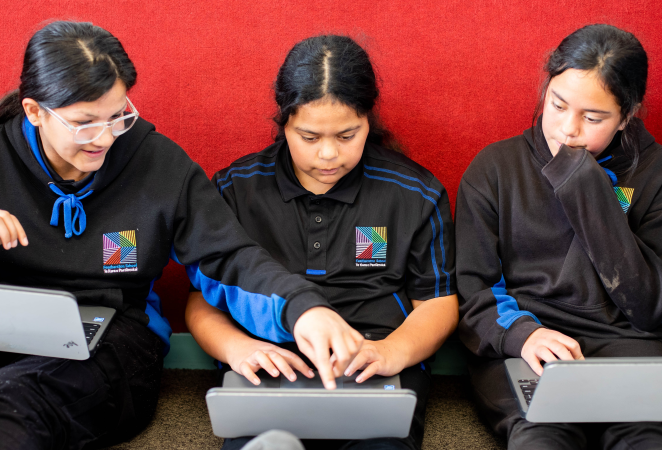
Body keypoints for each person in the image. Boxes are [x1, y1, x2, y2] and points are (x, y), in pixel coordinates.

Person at [0, 21, 363, 450]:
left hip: (112, 339)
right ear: (35, 111)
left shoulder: (158, 163)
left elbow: (229, 257)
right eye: (84, 123)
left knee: (17, 399)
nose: (105, 137)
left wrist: (302, 309)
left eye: (118, 116)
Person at [186, 35, 459, 450]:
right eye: (309, 137)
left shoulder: (416, 192)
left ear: (368, 120)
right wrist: (238, 348)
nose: (329, 155)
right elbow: (203, 299)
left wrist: (392, 352)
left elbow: (437, 303)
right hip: (273, 357)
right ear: (284, 124)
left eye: (347, 135)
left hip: (374, 359)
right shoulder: (235, 188)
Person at [456, 24, 662, 449]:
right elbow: (474, 291)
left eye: (593, 118)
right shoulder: (494, 169)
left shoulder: (653, 174)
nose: (568, 130)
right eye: (558, 104)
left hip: (630, 345)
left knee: (644, 437)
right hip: (529, 345)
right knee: (541, 438)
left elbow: (649, 305)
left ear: (627, 115)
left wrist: (586, 188)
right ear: (546, 88)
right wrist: (522, 334)